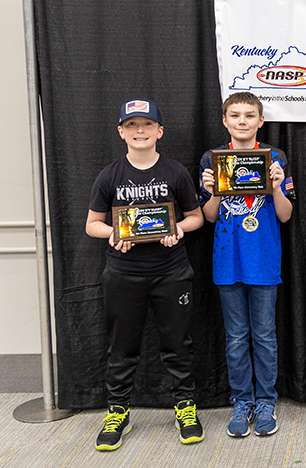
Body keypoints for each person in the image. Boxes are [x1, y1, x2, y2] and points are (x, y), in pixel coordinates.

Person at [86, 99, 205, 451]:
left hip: (171, 272)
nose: (141, 131)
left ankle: (185, 406)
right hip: (123, 274)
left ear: (160, 131)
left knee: (178, 346)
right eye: (133, 125)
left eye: (147, 124)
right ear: (121, 131)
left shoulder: (175, 172)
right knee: (122, 348)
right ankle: (118, 411)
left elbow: (196, 217)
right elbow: (92, 224)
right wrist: (112, 233)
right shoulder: (110, 174)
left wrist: (179, 230)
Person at [199, 92, 296, 438]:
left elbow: (285, 215)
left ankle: (266, 402)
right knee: (237, 338)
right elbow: (209, 217)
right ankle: (242, 401)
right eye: (235, 115)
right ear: (225, 121)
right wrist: (213, 193)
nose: (242, 121)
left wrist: (276, 187)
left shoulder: (276, 157)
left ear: (260, 121)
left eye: (249, 115)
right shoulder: (211, 159)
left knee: (265, 336)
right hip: (227, 261)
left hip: (264, 260)